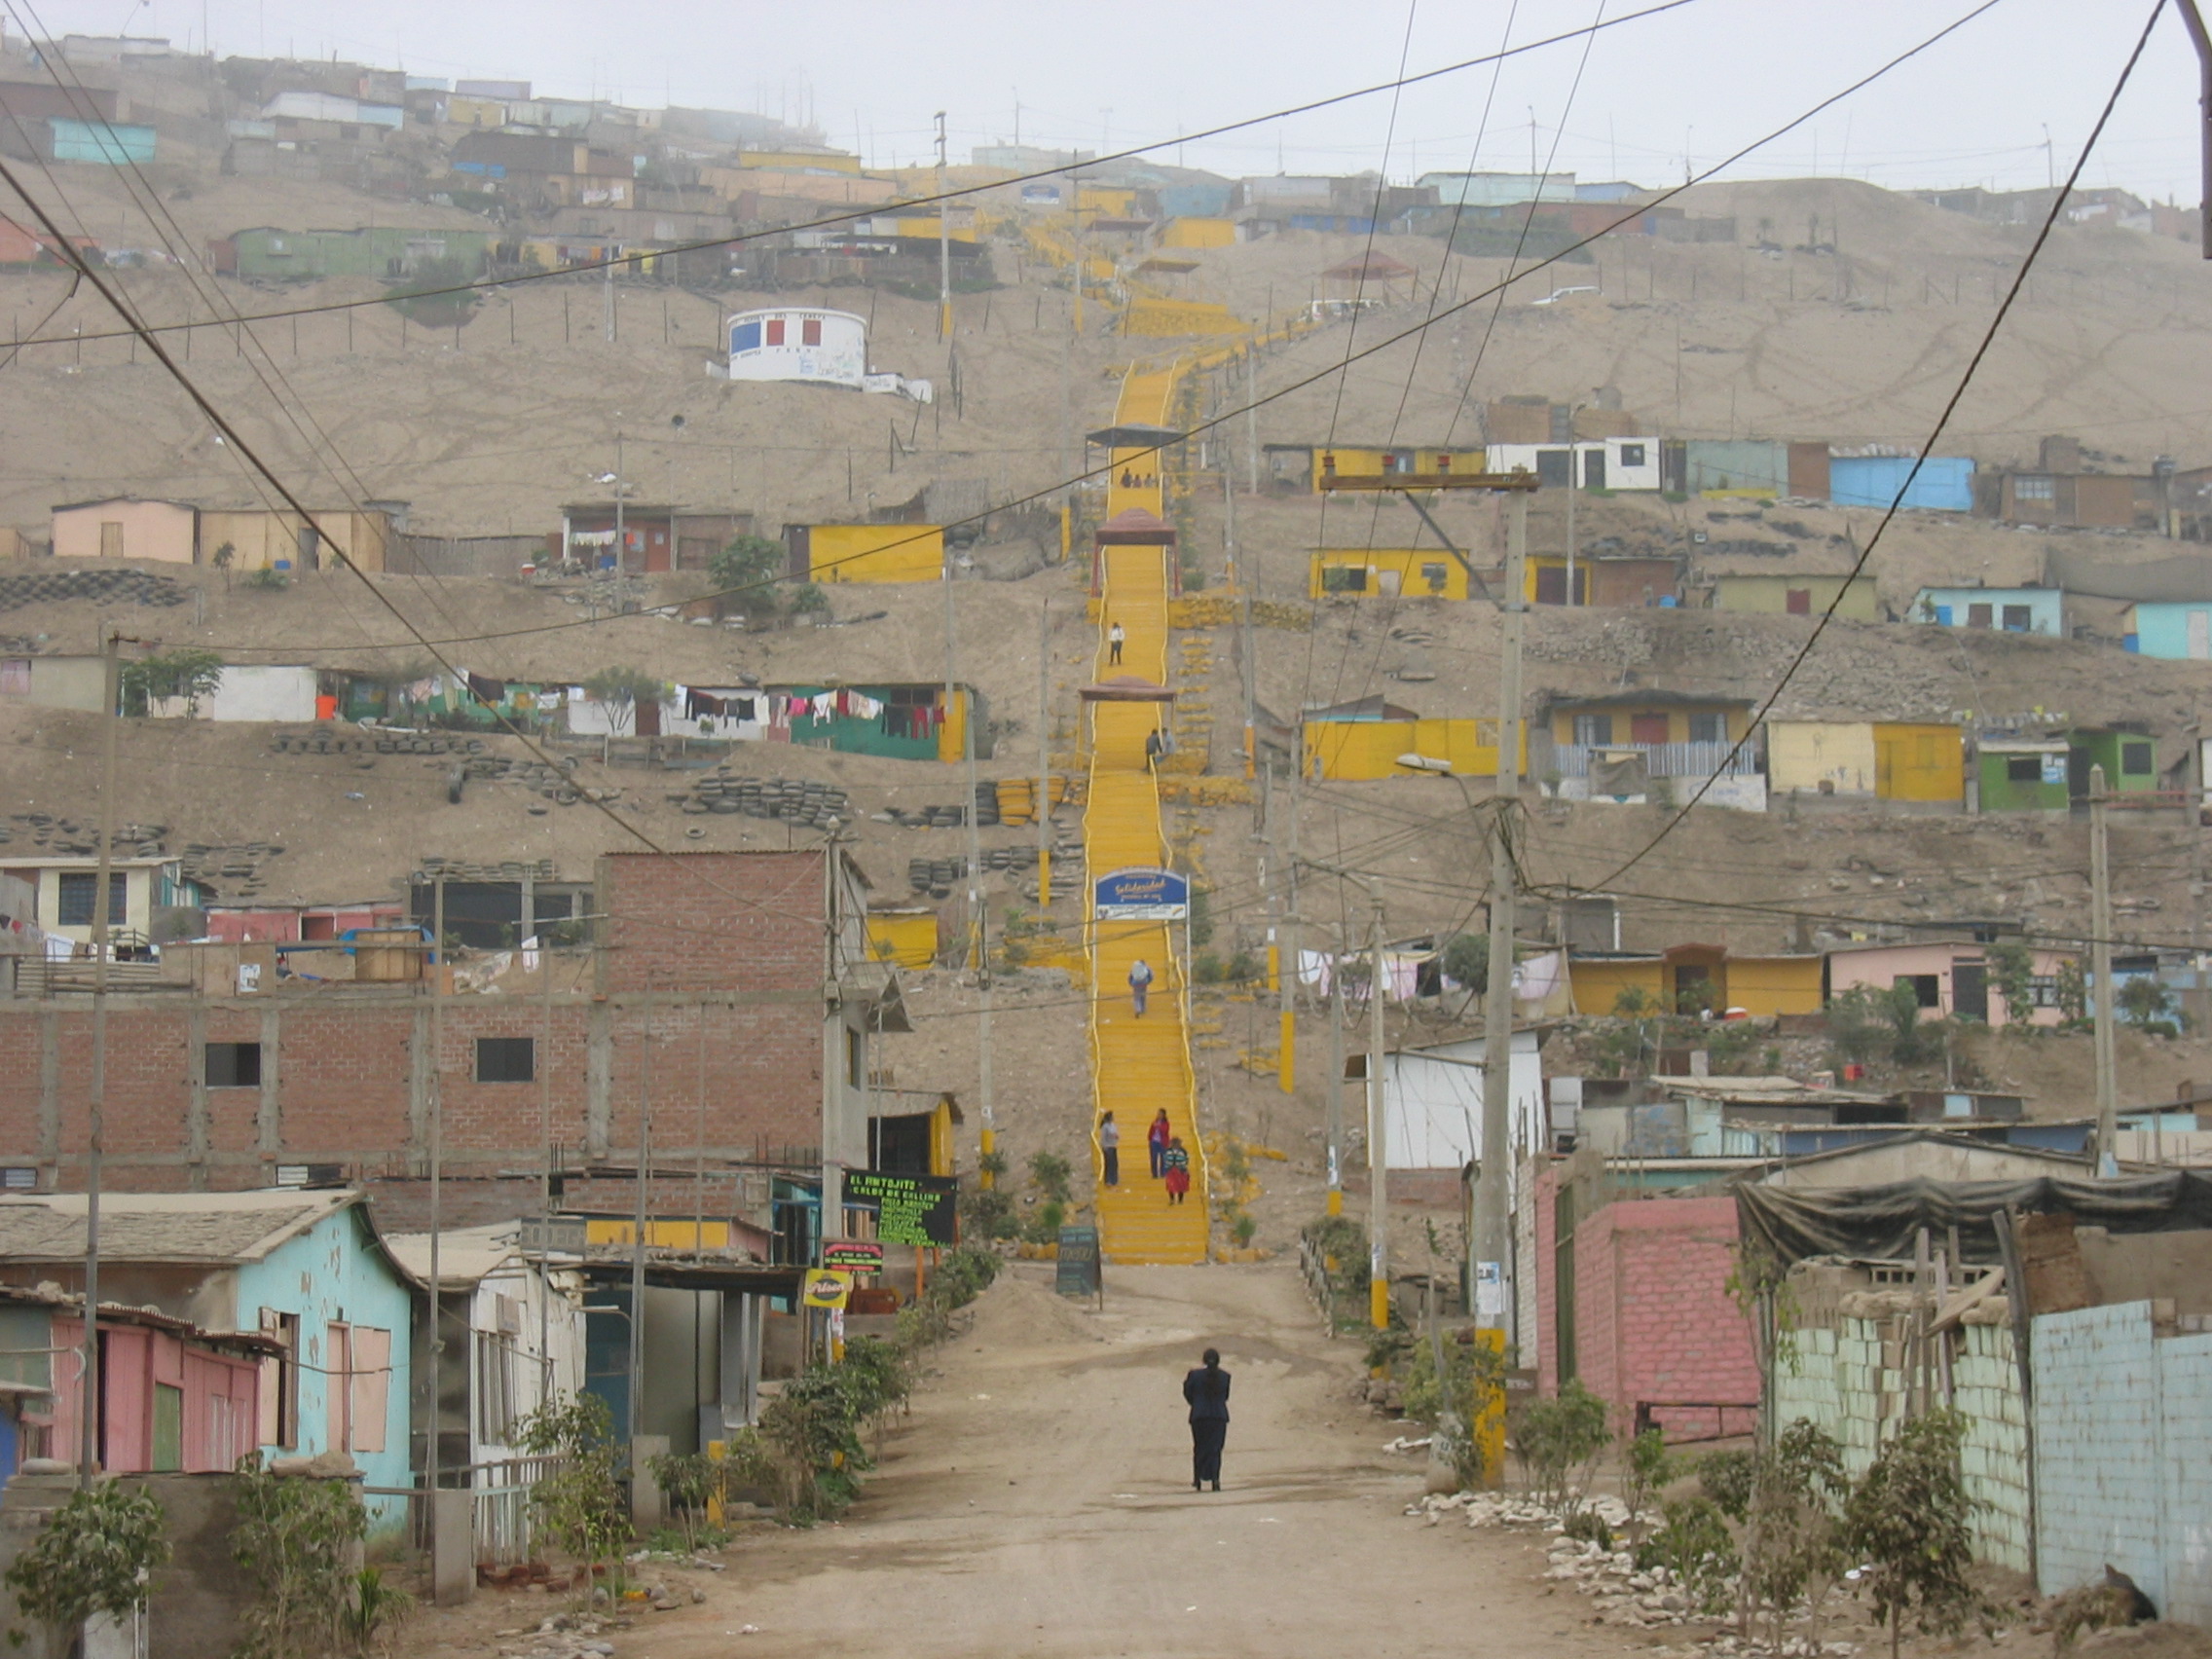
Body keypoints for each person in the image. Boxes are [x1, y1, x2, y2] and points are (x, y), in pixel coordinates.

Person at [1183, 1347, 1232, 1491]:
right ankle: (1215, 1479)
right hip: (1218, 1416)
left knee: (1199, 1447)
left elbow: (1187, 1392)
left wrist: (1196, 1404)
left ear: (1203, 1360)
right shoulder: (1225, 1376)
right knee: (1215, 1449)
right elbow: (1225, 1396)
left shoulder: (1194, 1375)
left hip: (1199, 1416)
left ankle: (1197, 1478)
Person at [1161, 1135, 1190, 1204]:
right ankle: (1180, 1200)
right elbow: (1186, 1160)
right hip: (1181, 1170)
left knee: (1171, 1185)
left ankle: (1172, 1199)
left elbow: (1165, 1160)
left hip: (1170, 1170)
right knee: (1181, 1185)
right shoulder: (1183, 1151)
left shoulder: (1168, 1151)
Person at [1147, 1109, 1172, 1179]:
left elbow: (1165, 1131)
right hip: (1154, 1141)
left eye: (1160, 1114)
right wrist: (1150, 1139)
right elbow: (1151, 1131)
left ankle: (1162, 1173)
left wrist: (1158, 1126)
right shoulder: (1154, 1122)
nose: (1159, 1115)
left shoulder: (1166, 1123)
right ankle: (1154, 1174)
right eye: (1158, 1114)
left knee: (1163, 1158)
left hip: (1162, 1142)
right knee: (1154, 1158)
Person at [1098, 1110, 1120, 1187]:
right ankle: (1108, 1180)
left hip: (1113, 1146)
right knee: (1109, 1164)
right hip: (1107, 1147)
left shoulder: (1113, 1125)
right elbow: (1103, 1137)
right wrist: (1104, 1146)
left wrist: (1116, 1136)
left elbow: (1116, 1134)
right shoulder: (1105, 1127)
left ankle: (1114, 1180)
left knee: (1114, 1164)